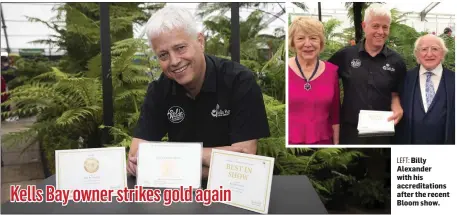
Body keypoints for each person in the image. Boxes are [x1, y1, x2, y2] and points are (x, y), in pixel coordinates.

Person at [127, 6, 270, 178]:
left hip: (230, 193)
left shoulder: (239, 81)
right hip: (179, 196)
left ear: (200, 42)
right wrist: (214, 161)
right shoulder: (159, 89)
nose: (174, 61)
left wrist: (171, 162)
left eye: (180, 48)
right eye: (163, 55)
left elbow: (245, 160)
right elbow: (137, 157)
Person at [327, 3, 407, 144]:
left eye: (385, 27)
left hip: (383, 133)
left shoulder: (397, 62)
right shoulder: (345, 56)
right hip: (351, 132)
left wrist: (397, 104)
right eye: (375, 26)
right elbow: (324, 77)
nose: (380, 32)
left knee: (380, 166)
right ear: (364, 26)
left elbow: (396, 92)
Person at [288, 16, 340, 145]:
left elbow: (335, 114)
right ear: (293, 43)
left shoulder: (332, 71)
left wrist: (336, 145)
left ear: (320, 42)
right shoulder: (284, 70)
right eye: (300, 38)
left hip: (324, 145)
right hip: (289, 148)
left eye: (313, 38)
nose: (307, 44)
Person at [396, 34, 454, 144]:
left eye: (435, 49)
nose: (429, 54)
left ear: (443, 53)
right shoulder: (404, 79)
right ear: (417, 54)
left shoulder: (454, 80)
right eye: (424, 49)